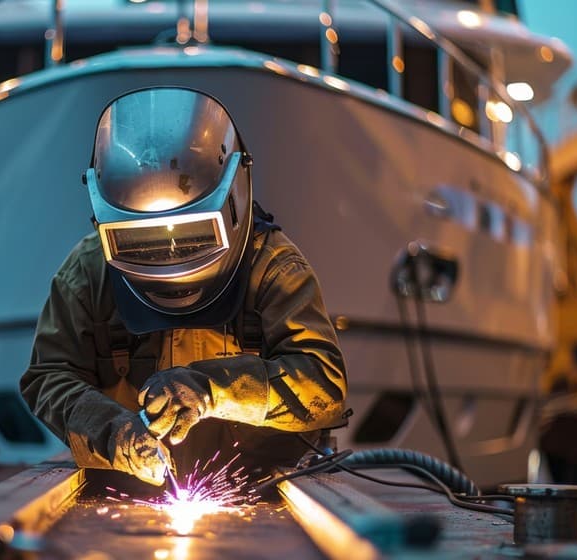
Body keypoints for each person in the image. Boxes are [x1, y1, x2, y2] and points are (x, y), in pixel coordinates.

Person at [20, 87, 347, 486]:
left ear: (232, 202)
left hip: (262, 482)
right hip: (130, 489)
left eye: (191, 238)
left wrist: (213, 389)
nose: (170, 255)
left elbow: (324, 385)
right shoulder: (88, 273)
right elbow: (48, 377)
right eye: (143, 243)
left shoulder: (273, 268)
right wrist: (114, 432)